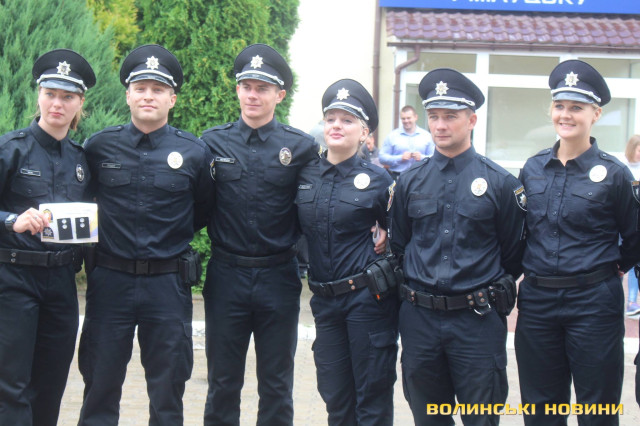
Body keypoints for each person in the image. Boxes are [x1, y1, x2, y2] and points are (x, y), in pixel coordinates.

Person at [77, 44, 214, 425]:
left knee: (168, 393)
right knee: (99, 386)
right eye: (140, 88)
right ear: (128, 95)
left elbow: (203, 210)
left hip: (167, 285)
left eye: (158, 89)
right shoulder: (98, 146)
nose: (148, 96)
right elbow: (83, 202)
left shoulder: (194, 152)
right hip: (110, 281)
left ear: (172, 99)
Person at [390, 68, 526, 425]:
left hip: (476, 321)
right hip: (420, 320)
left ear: (472, 120)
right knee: (428, 418)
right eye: (434, 116)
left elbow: (513, 255)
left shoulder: (501, 183)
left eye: (450, 116)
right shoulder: (410, 182)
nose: (440, 125)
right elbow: (400, 245)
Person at [514, 60, 640, 425]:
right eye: (560, 106)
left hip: (593, 303)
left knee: (597, 407)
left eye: (577, 108)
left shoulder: (615, 174)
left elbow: (635, 236)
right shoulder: (532, 168)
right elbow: (520, 232)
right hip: (537, 303)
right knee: (540, 408)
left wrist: (614, 266)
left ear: (596, 114)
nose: (565, 115)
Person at [200, 43, 319, 425]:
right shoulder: (211, 143)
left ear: (279, 95)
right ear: (237, 90)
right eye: (247, 87)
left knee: (277, 384)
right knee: (222, 382)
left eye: (262, 88)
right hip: (226, 275)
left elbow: (317, 206)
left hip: (278, 277)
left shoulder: (300, 147)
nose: (253, 95)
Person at [296, 79, 399, 425]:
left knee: (371, 399)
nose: (336, 126)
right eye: (331, 119)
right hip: (325, 303)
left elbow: (400, 236)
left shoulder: (379, 180)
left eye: (347, 120)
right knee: (336, 399)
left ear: (365, 132)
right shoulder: (305, 175)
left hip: (367, 301)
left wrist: (387, 234)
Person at [0, 49, 94, 426]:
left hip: (61, 284)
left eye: (67, 97)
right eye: (50, 94)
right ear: (38, 96)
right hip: (14, 282)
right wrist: (11, 220)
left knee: (51, 384)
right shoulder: (10, 149)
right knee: (11, 386)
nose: (57, 104)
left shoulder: (82, 159)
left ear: (80, 103)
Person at [378, 105, 434, 179]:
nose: (406, 121)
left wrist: (422, 157)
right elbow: (382, 158)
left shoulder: (427, 136)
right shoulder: (392, 136)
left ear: (415, 117)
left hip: (421, 177)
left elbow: (434, 157)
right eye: (403, 118)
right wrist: (400, 158)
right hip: (398, 177)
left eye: (408, 118)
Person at [623, 135, 640, 315]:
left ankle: (632, 302)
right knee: (617, 266)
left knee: (636, 263)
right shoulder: (622, 168)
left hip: (637, 224)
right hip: (622, 224)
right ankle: (617, 300)